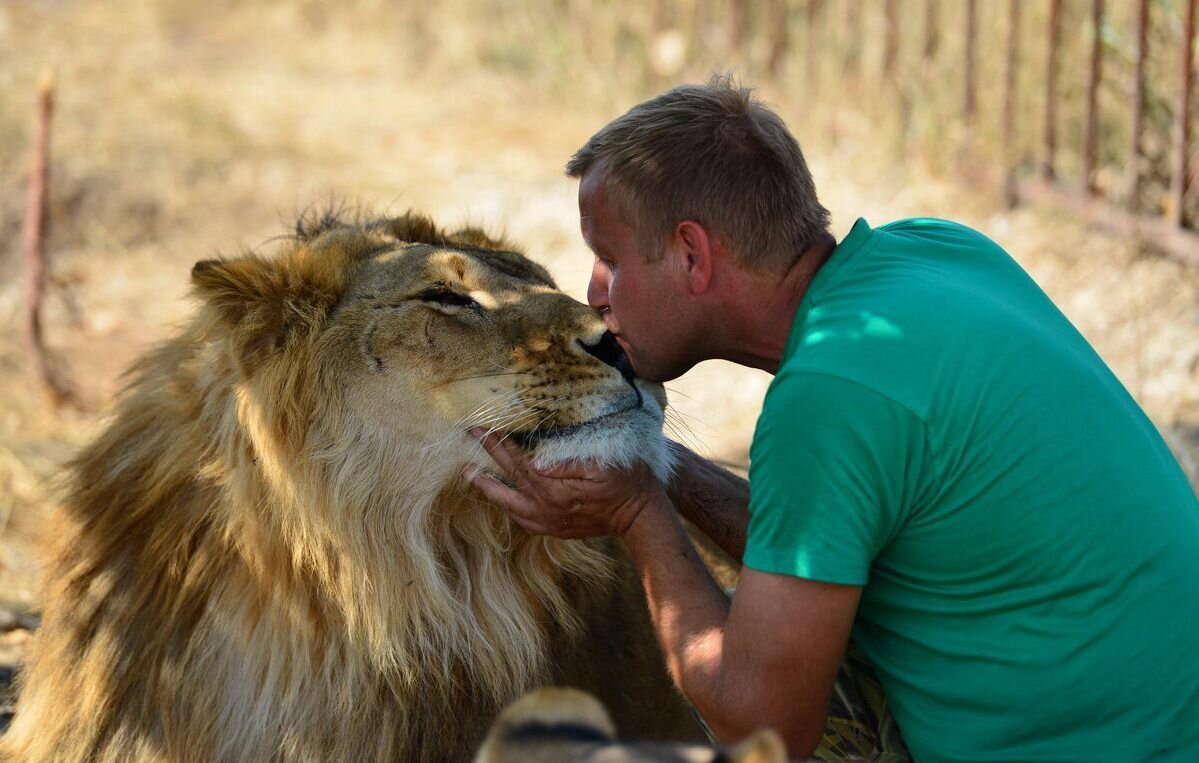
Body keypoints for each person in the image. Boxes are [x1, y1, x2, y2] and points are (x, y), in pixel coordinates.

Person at [466, 76, 1199, 762]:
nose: (594, 294)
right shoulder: (934, 251)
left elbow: (761, 722)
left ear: (691, 254)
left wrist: (636, 514)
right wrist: (657, 459)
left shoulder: (830, 392)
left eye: (609, 258)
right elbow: (833, 537)